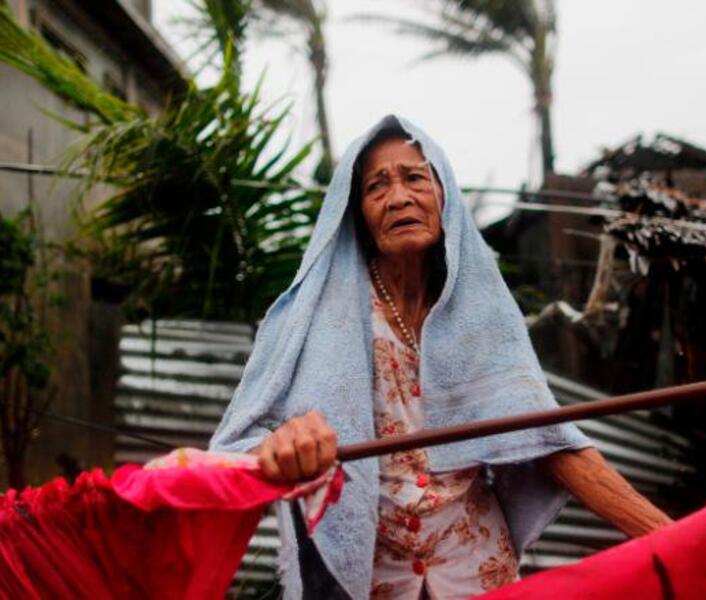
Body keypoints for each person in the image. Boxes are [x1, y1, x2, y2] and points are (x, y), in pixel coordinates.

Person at [210, 115, 672, 599]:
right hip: (369, 582)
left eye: (414, 177)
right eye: (376, 186)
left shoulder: (481, 315)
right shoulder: (306, 321)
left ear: (444, 195)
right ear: (358, 214)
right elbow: (234, 446)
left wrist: (672, 537)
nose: (398, 198)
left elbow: (548, 438)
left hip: (476, 568)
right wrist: (283, 443)